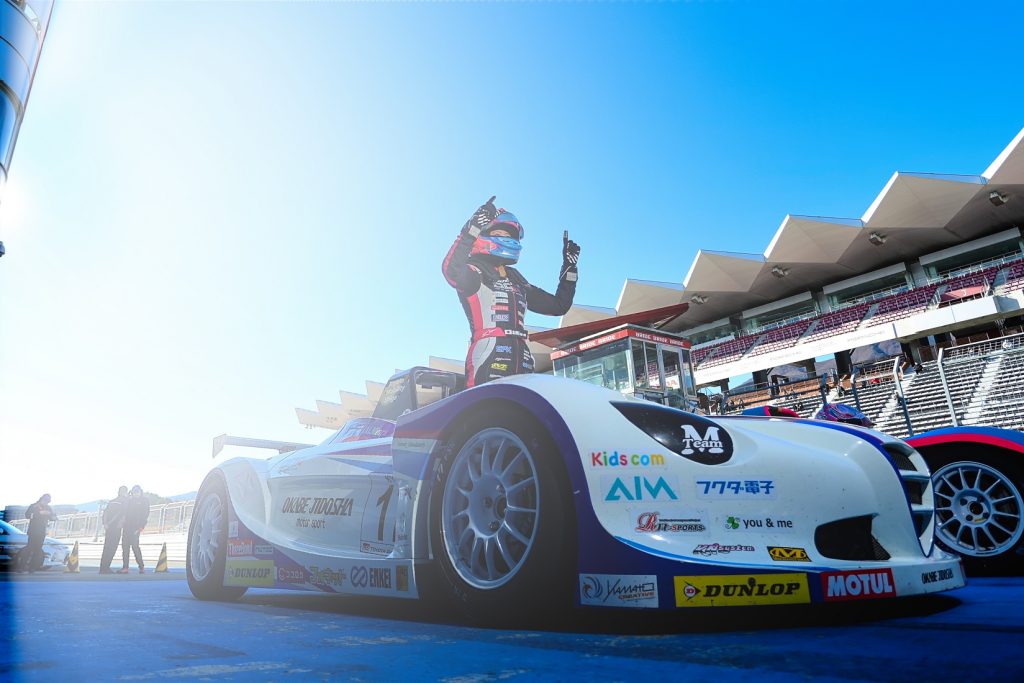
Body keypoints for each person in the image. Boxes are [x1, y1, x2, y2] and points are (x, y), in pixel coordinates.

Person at [443, 196, 579, 387]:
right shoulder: (474, 270)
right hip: (488, 353)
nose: (505, 238)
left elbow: (559, 306)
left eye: (509, 236)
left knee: (527, 406)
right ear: (483, 234)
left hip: (523, 356)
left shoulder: (516, 279)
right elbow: (451, 271)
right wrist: (471, 229)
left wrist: (569, 269)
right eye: (499, 233)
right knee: (488, 405)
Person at [119, 485, 150, 574]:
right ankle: (125, 567)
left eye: (137, 491)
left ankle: (141, 567)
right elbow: (124, 511)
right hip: (126, 527)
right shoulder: (129, 500)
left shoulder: (144, 501)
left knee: (135, 547)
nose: (136, 493)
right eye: (134, 491)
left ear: (140, 492)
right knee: (125, 547)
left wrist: (141, 526)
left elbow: (145, 515)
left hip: (136, 527)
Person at [22, 494, 55, 573]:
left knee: (38, 550)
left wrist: (50, 514)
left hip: (42, 532)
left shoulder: (48, 508)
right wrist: (40, 513)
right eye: (45, 500)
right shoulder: (33, 506)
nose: (46, 502)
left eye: (48, 501)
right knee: (29, 549)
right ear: (41, 499)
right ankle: (21, 567)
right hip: (33, 531)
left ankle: (32, 568)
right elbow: (27, 515)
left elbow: (54, 518)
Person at [99, 486, 128, 574]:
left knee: (106, 547)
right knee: (112, 547)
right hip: (116, 527)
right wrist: (121, 523)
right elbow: (124, 514)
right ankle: (106, 567)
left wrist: (105, 524)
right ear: (125, 492)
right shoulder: (124, 501)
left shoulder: (111, 501)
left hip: (108, 527)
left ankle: (102, 568)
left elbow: (105, 513)